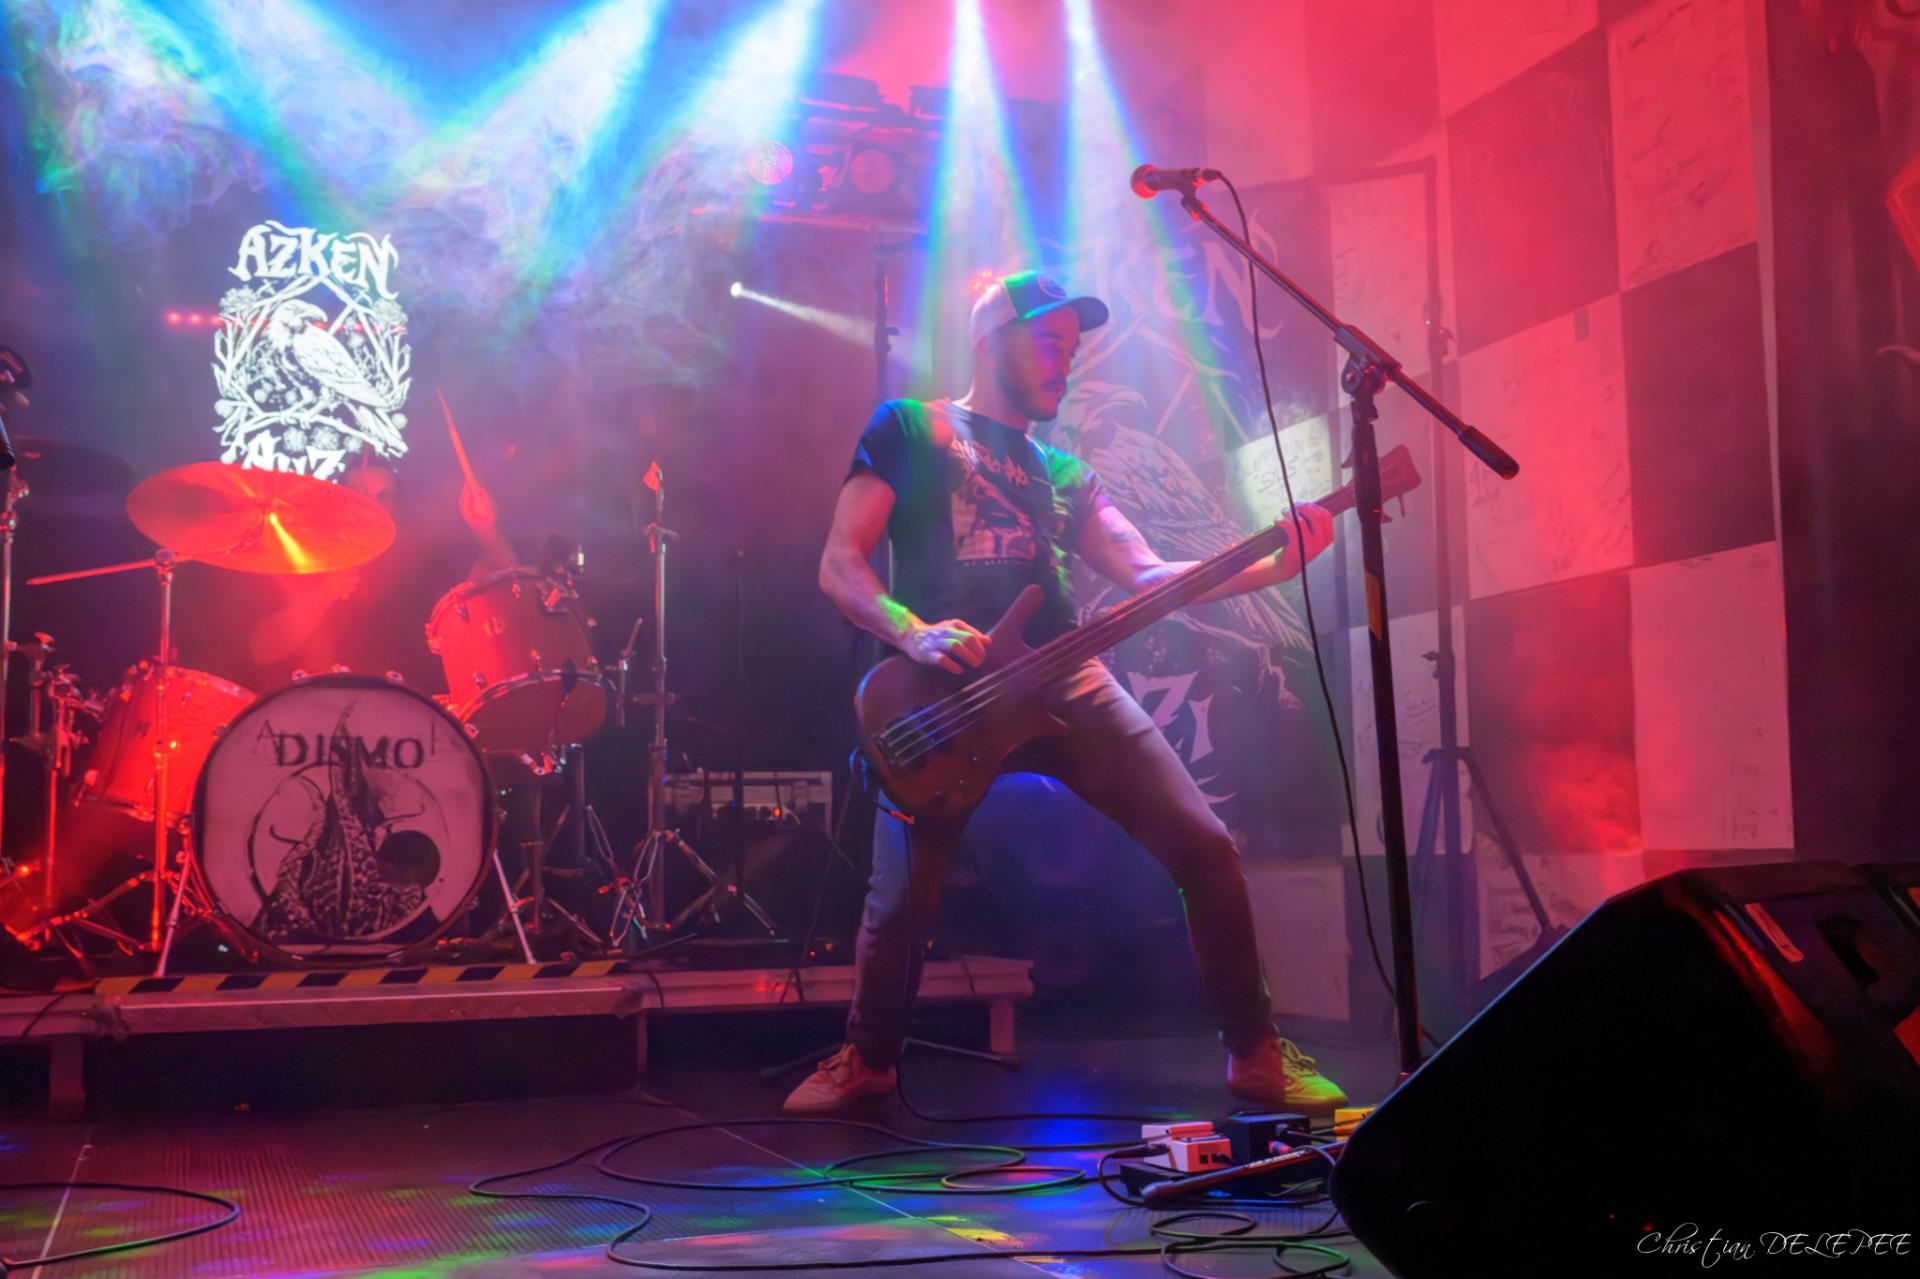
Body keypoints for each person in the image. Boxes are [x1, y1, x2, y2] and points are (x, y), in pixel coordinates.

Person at [786, 270, 1346, 1115]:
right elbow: (840, 562)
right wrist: (912, 631)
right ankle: (867, 1060)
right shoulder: (910, 426)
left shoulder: (1064, 471)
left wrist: (1273, 564)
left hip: (1064, 675)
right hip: (946, 691)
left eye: (1072, 347)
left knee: (1204, 845)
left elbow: (1148, 572)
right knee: (902, 901)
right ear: (991, 341)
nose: (1066, 360)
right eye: (1049, 341)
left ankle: (1257, 1054)